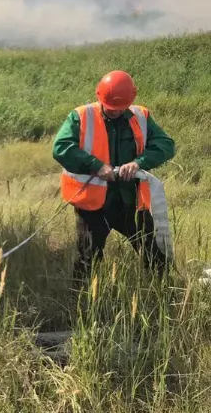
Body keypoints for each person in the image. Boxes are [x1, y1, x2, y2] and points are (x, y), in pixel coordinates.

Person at [52, 70, 176, 286]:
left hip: (133, 202)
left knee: (154, 254)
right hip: (94, 206)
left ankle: (163, 292)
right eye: (110, 108)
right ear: (99, 96)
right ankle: (80, 304)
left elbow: (165, 145)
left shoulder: (141, 116)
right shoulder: (81, 116)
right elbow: (61, 148)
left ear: (132, 99)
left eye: (120, 109)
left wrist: (139, 162)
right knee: (87, 259)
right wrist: (96, 166)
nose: (115, 112)